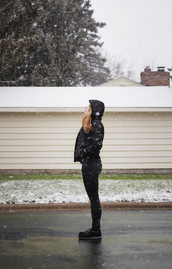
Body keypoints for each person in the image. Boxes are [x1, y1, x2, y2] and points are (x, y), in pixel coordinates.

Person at [74, 99, 105, 240]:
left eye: (89, 106)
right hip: (89, 164)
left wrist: (82, 153)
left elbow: (96, 145)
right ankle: (95, 228)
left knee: (94, 198)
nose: (86, 107)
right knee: (93, 198)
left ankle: (95, 230)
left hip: (91, 164)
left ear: (94, 109)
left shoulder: (97, 124)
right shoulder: (91, 123)